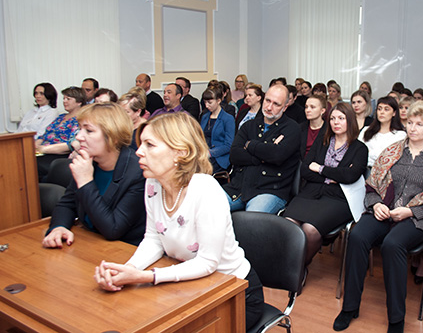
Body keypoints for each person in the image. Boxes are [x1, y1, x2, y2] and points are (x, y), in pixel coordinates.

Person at [93, 112, 264, 329]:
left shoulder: (205, 189)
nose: (138, 152)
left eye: (150, 145)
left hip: (234, 293)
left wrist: (144, 277)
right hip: (191, 283)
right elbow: (154, 239)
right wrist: (127, 270)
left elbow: (207, 262)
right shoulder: (153, 183)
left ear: (180, 152)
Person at [334, 101, 423, 333]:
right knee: (358, 235)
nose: (413, 128)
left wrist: (411, 211)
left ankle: (396, 318)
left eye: (420, 124)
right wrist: (376, 203)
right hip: (386, 210)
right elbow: (372, 184)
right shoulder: (393, 150)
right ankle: (350, 307)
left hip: (418, 217)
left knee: (392, 244)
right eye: (410, 123)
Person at [42, 102, 146, 247]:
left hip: (123, 250)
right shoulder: (89, 162)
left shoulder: (138, 173)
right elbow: (67, 204)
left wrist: (85, 181)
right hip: (90, 242)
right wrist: (59, 227)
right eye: (80, 129)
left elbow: (113, 229)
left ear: (113, 136)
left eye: (89, 131)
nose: (78, 137)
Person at [283, 102, 368, 267]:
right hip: (310, 192)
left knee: (310, 230)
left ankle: (299, 269)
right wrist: (335, 175)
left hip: (339, 198)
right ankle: (288, 266)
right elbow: (306, 170)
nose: (336, 122)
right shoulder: (323, 141)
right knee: (288, 223)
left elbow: (351, 176)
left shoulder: (360, 148)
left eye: (341, 118)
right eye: (333, 118)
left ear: (350, 121)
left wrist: (320, 169)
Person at [223, 84, 301, 214]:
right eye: (267, 101)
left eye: (276, 104)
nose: (269, 107)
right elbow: (235, 155)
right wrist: (264, 155)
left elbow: (277, 155)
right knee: (207, 207)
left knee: (251, 221)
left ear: (285, 107)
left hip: (270, 189)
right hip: (239, 187)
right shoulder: (249, 125)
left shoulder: (292, 129)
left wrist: (250, 145)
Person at [36, 86, 86, 181]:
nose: (64, 101)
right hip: (42, 151)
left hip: (58, 154)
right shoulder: (60, 117)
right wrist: (36, 145)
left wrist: (44, 149)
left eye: (68, 99)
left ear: (79, 102)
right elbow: (45, 134)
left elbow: (70, 144)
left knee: (33, 165)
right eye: (63, 98)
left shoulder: (80, 119)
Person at [359, 96, 406, 168]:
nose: (382, 112)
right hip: (364, 170)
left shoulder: (400, 135)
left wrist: (370, 154)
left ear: (394, 113)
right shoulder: (366, 130)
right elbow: (357, 153)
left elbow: (393, 159)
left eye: (386, 109)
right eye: (379, 109)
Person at [200, 86, 235, 173]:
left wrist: (210, 153)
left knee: (200, 171)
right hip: (204, 154)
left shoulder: (228, 119)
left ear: (219, 100)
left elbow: (228, 145)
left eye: (210, 102)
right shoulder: (205, 117)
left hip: (219, 158)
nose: (206, 105)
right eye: (205, 102)